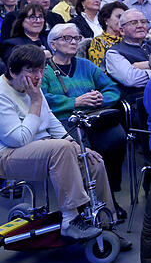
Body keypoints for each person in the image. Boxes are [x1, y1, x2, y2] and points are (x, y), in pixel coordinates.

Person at [0, 45, 113, 240]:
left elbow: (51, 121)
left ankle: (104, 223)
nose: (37, 76)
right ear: (12, 71)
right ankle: (71, 218)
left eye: (41, 70)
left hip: (47, 148)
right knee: (61, 148)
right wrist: (35, 102)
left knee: (92, 160)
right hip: (9, 155)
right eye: (31, 70)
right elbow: (19, 139)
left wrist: (77, 146)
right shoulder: (3, 93)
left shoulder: (32, 87)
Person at [41, 24, 129, 221]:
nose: (73, 42)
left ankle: (109, 194)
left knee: (117, 138)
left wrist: (100, 98)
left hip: (94, 117)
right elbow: (43, 98)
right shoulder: (45, 70)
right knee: (84, 152)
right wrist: (75, 102)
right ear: (53, 44)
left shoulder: (86, 65)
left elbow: (111, 88)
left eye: (76, 38)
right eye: (67, 38)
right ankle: (85, 203)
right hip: (64, 121)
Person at [104, 9, 151, 97]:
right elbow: (131, 79)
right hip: (138, 102)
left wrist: (146, 66)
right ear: (122, 31)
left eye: (143, 22)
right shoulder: (113, 53)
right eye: (134, 23)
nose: (140, 26)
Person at [87, 2, 126, 67]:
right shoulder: (98, 42)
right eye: (119, 17)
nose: (122, 21)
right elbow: (99, 69)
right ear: (106, 19)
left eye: (124, 18)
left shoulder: (130, 39)